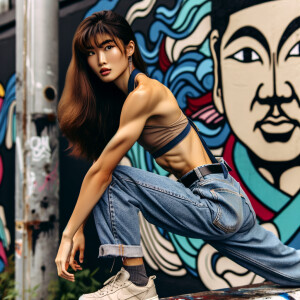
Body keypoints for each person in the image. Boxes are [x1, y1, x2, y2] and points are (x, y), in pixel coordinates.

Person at [55, 10, 300, 300]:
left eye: (108, 47)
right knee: (294, 270)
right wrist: (80, 226)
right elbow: (99, 167)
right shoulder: (126, 101)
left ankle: (136, 283)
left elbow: (102, 174)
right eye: (91, 53)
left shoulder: (143, 95)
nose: (101, 60)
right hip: (226, 198)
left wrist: (69, 234)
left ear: (129, 48)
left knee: (117, 179)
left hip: (214, 202)